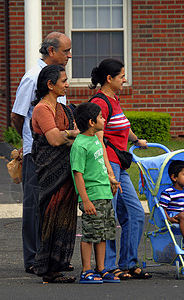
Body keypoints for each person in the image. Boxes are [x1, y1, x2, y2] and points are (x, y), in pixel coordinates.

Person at [10, 32, 72, 274]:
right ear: (51, 52)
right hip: (37, 153)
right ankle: (34, 258)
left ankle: (53, 257)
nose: (69, 55)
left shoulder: (58, 78)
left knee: (53, 205)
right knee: (34, 206)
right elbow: (17, 116)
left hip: (57, 153)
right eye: (66, 51)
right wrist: (29, 141)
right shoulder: (32, 78)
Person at [89, 58, 152, 280]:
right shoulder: (100, 103)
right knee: (109, 215)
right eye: (121, 76)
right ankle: (106, 266)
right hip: (109, 165)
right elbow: (97, 139)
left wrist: (136, 140)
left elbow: (123, 126)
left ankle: (128, 263)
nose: (125, 79)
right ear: (109, 78)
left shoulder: (114, 99)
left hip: (120, 165)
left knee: (135, 213)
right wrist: (108, 170)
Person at [30, 64, 80, 283]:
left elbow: (78, 136)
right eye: (63, 81)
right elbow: (54, 139)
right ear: (50, 85)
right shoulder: (42, 109)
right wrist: (70, 134)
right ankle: (48, 269)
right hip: (50, 171)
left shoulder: (65, 109)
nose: (67, 84)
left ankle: (59, 264)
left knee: (65, 216)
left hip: (67, 170)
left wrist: (67, 134)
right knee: (51, 215)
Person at [70, 102, 121, 284]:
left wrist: (111, 180)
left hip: (104, 194)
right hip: (92, 196)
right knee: (90, 234)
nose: (104, 119)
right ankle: (86, 270)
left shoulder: (95, 140)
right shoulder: (80, 145)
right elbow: (78, 174)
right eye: (101, 117)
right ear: (92, 122)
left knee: (104, 233)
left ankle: (101, 269)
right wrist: (86, 200)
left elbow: (98, 167)